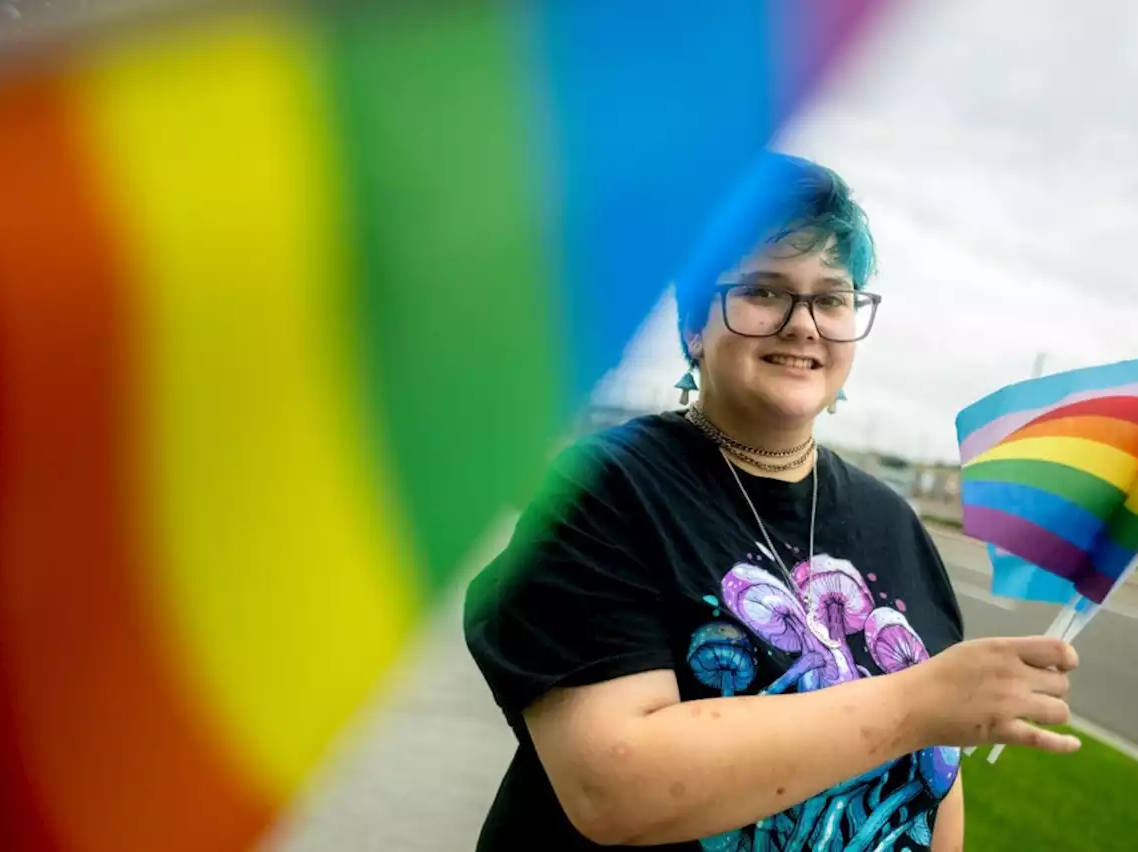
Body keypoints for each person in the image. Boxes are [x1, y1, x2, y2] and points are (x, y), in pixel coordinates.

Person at [463, 152, 1080, 851]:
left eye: (832, 297)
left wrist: (936, 718)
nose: (802, 323)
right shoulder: (606, 488)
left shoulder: (892, 522)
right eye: (764, 290)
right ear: (695, 326)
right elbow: (614, 787)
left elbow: (935, 792)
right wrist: (916, 704)